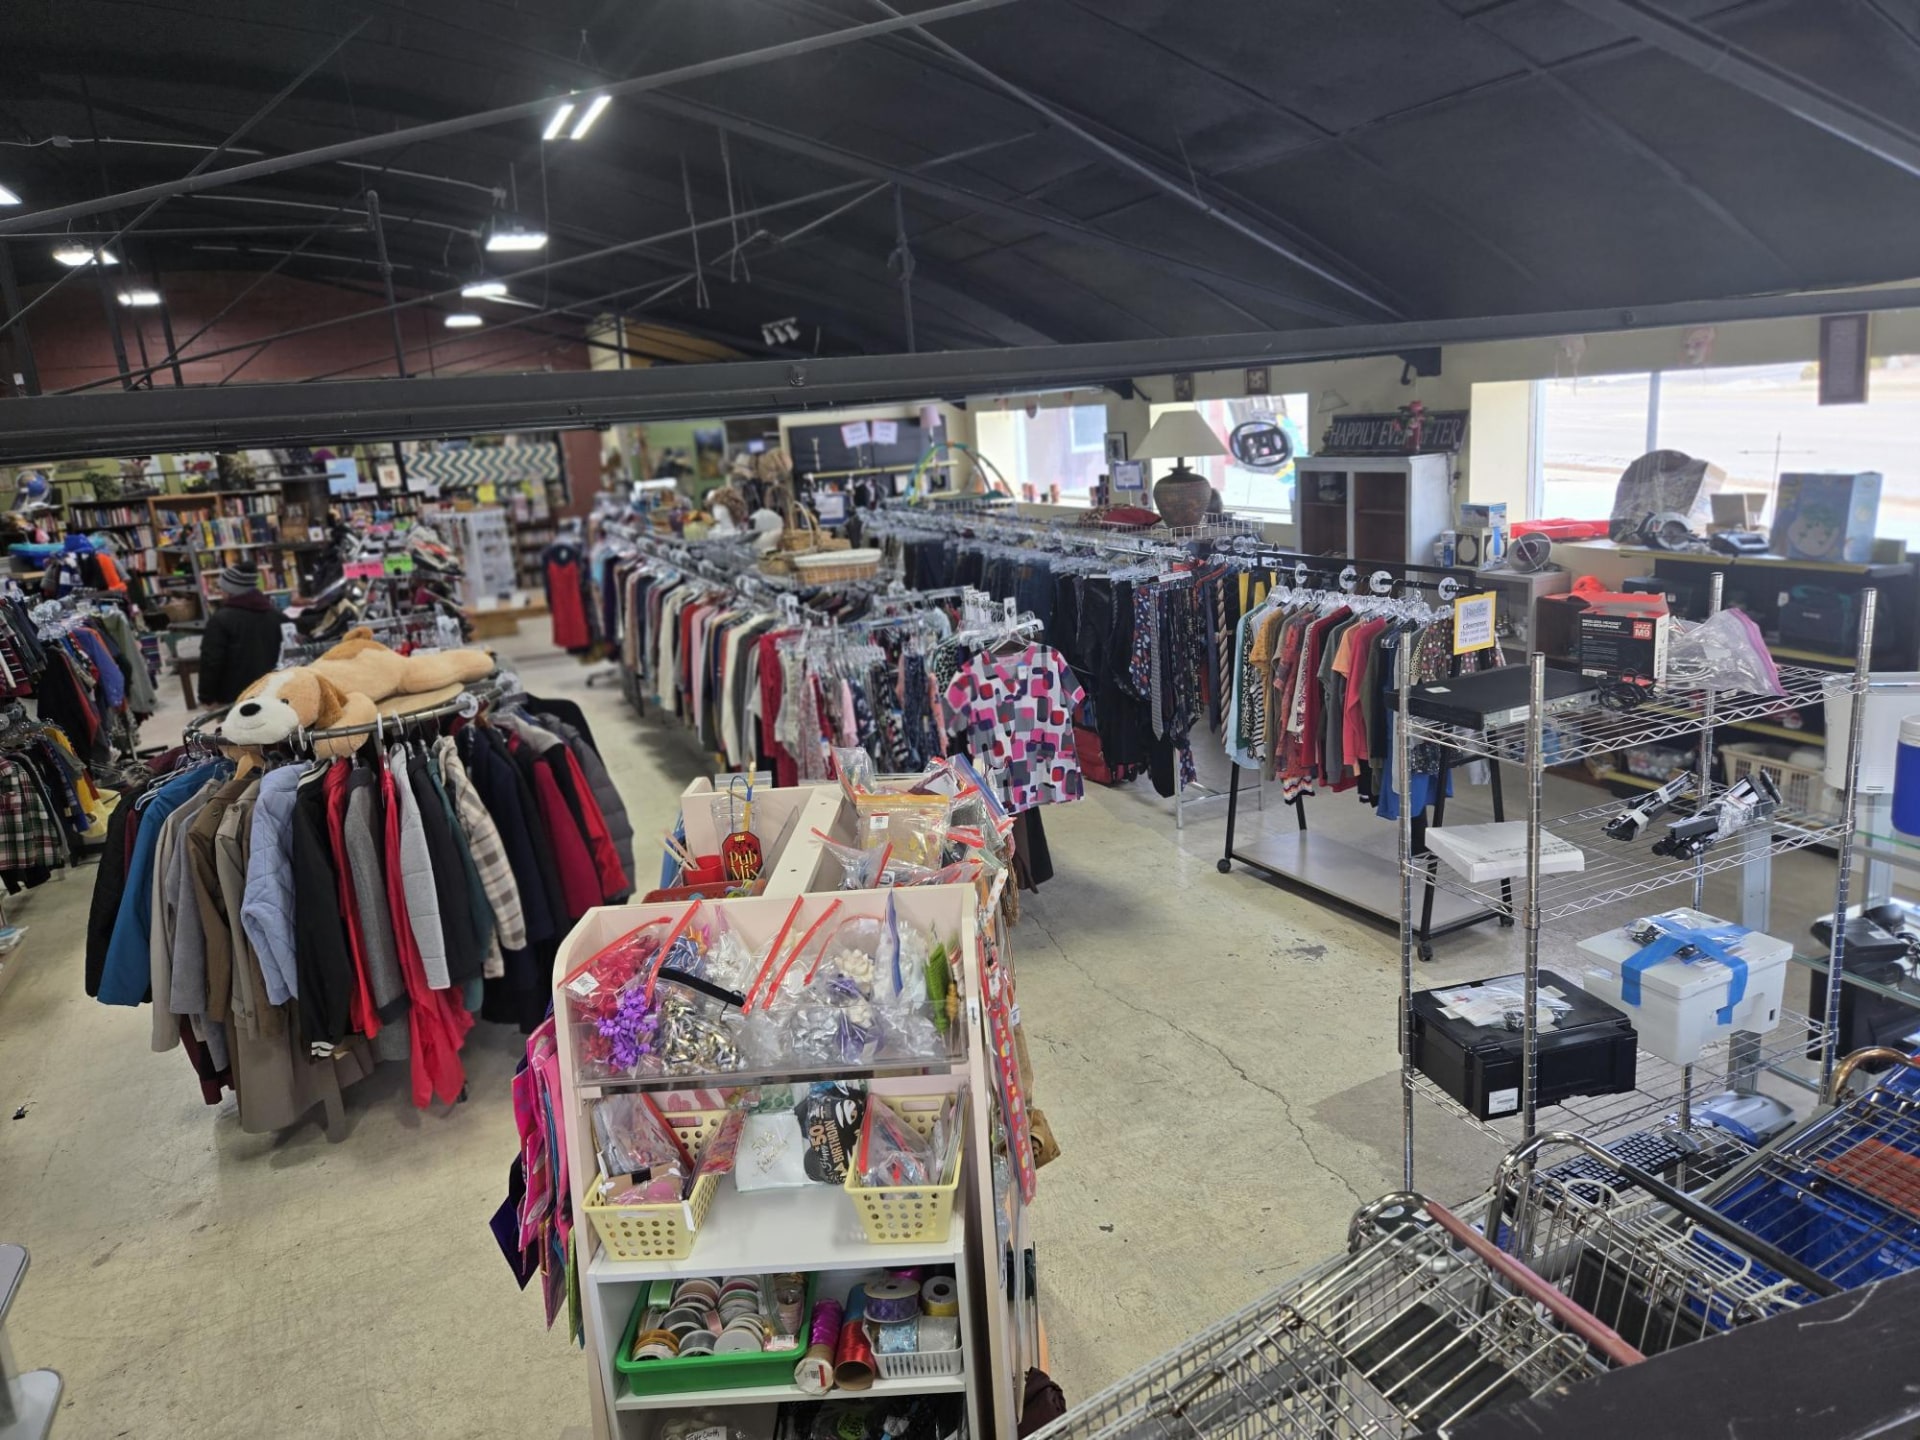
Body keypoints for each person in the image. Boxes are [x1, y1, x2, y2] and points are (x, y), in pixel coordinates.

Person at [198, 564, 285, 705]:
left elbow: (211, 661)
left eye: (222, 589)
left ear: (231, 591)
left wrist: (206, 697)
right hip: (275, 692)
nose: (221, 593)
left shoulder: (220, 620)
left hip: (236, 697)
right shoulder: (277, 616)